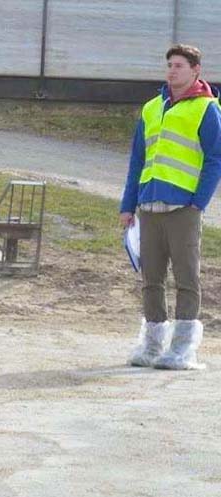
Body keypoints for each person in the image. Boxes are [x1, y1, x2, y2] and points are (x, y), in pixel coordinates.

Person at [121, 44, 221, 370]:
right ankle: (151, 347)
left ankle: (181, 351)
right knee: (151, 279)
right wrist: (128, 205)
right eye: (169, 64)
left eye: (179, 65)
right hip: (148, 208)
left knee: (186, 278)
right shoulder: (151, 108)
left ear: (195, 70)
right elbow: (138, 160)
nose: (172, 70)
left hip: (183, 210)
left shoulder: (207, 108)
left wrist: (198, 202)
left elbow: (215, 158)